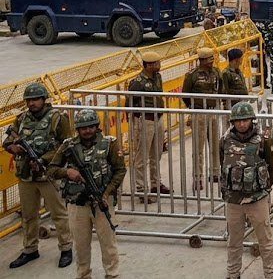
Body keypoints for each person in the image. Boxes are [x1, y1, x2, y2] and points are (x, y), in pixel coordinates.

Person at [46, 109, 125, 279]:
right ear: (78, 129)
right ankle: (83, 275)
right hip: (77, 204)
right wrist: (67, 172)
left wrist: (106, 193)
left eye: (91, 127)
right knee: (81, 245)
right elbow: (51, 169)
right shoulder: (68, 145)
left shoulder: (109, 143)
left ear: (97, 127)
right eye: (83, 128)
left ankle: (112, 274)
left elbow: (120, 170)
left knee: (108, 243)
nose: (87, 131)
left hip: (101, 202)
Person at [2, 82, 73, 269]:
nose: (32, 103)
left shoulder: (57, 118)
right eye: (29, 100)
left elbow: (66, 145)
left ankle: (66, 248)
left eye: (36, 99)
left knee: (58, 214)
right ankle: (30, 249)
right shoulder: (21, 119)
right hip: (26, 176)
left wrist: (43, 159)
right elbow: (8, 140)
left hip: (47, 174)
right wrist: (13, 147)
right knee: (28, 215)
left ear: (44, 99)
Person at [219, 102, 273, 279]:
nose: (242, 124)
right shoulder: (225, 140)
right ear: (233, 122)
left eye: (245, 120)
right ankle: (233, 274)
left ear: (251, 120)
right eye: (238, 121)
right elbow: (222, 163)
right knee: (234, 241)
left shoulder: (263, 140)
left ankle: (270, 273)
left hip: (257, 199)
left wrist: (265, 188)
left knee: (265, 241)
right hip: (234, 200)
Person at [127, 51, 170, 196]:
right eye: (156, 63)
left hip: (157, 119)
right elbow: (130, 104)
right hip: (144, 121)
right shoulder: (137, 83)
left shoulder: (158, 77)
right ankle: (140, 188)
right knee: (141, 156)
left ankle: (155, 183)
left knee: (156, 154)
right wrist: (134, 125)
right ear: (149, 65)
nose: (159, 66)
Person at [181, 47, 223, 191]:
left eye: (212, 58)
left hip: (212, 112)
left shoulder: (216, 72)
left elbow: (221, 89)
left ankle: (215, 172)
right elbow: (185, 95)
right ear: (202, 60)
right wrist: (193, 108)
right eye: (209, 59)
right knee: (198, 148)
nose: (212, 61)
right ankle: (197, 177)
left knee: (215, 144)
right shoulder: (192, 75)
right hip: (199, 113)